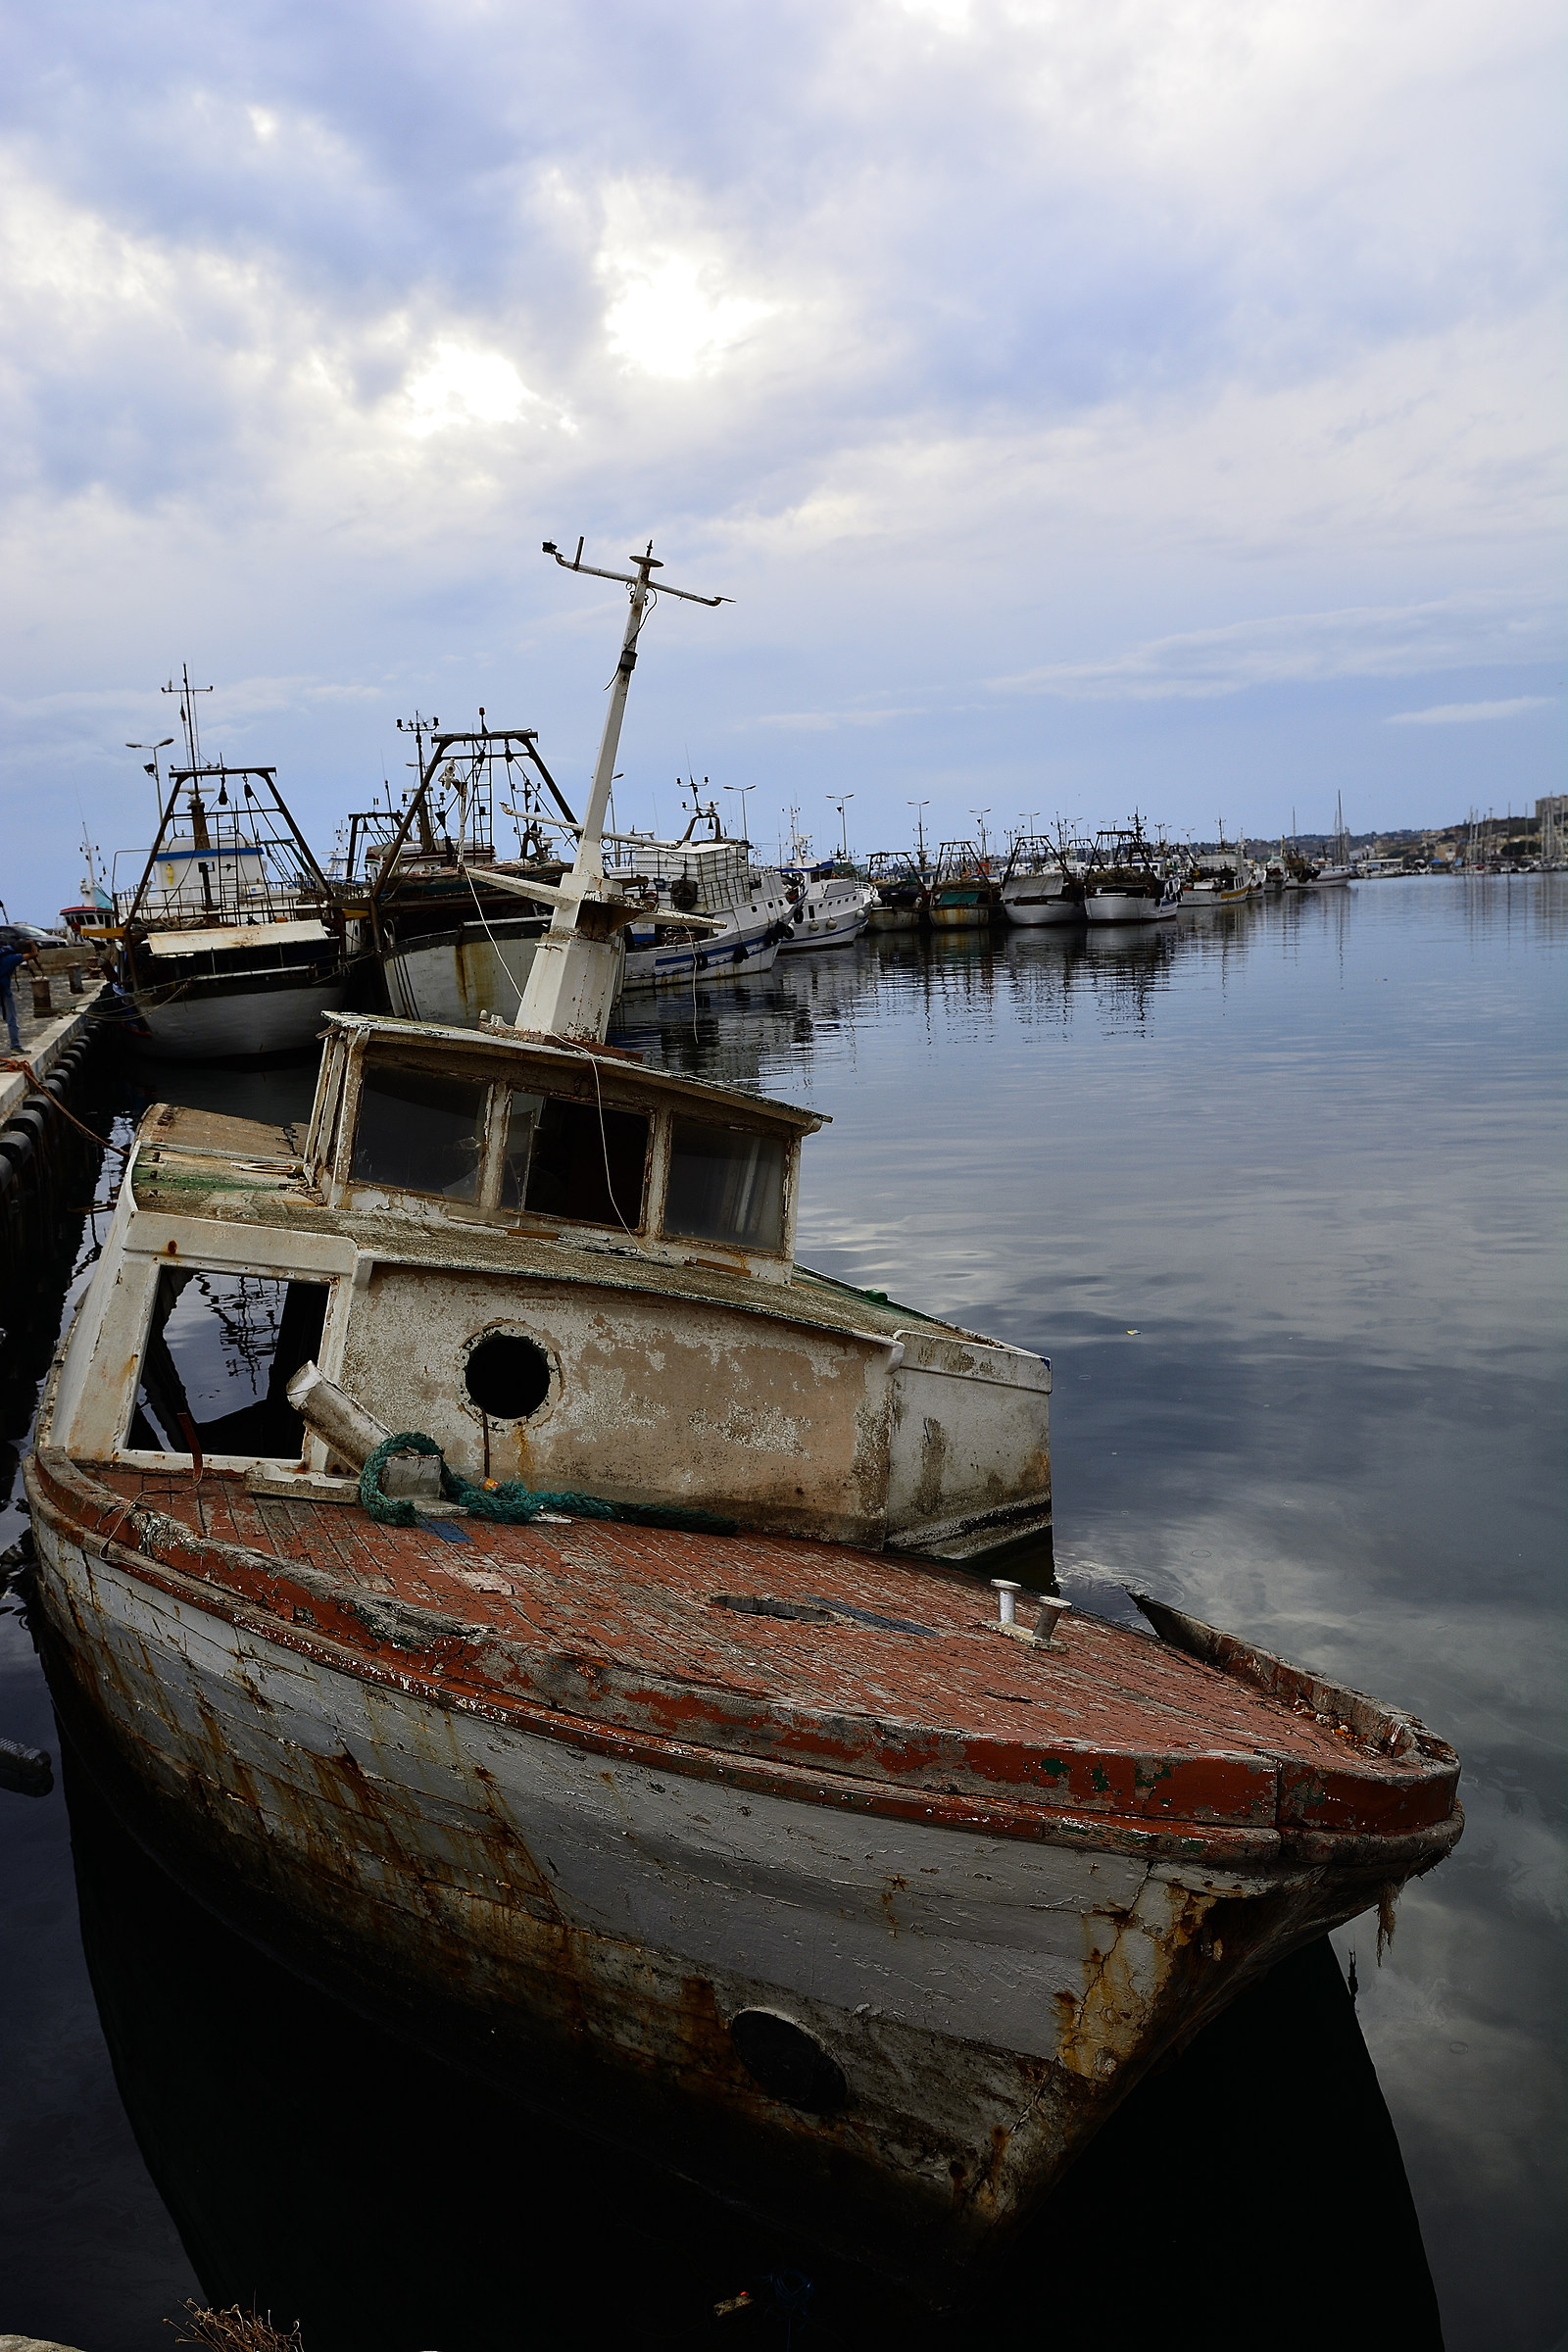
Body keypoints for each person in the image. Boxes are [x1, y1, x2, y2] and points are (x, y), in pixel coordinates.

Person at [0, 928, 41, 1054]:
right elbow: (34, 954)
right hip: (2, 990)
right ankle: (15, 1046)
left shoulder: (3, 952)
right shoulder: (13, 957)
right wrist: (32, 943)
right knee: (11, 1018)